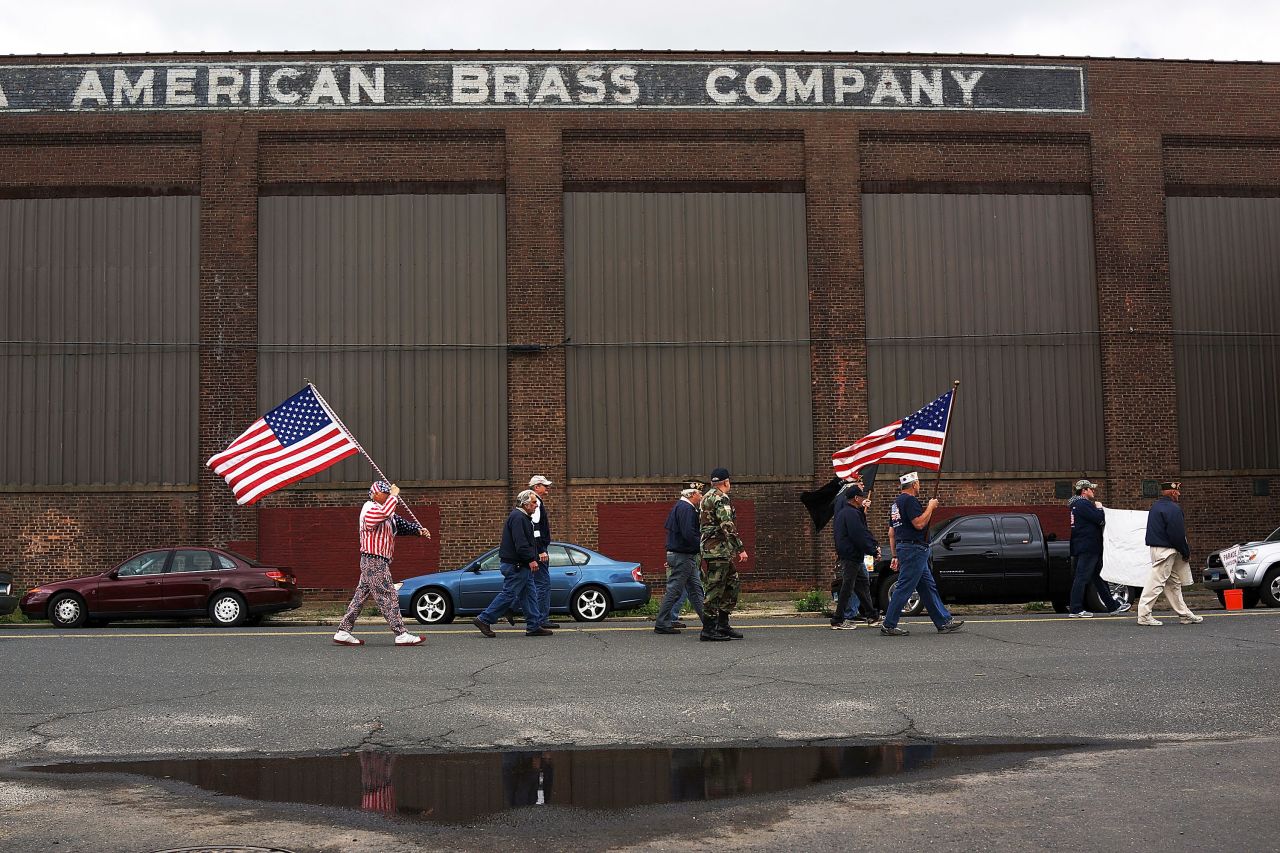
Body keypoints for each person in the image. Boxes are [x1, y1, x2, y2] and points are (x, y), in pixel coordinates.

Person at [333, 480, 429, 647]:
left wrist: (418, 531)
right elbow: (382, 515)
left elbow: (401, 524)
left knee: (360, 596)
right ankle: (401, 633)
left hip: (376, 561)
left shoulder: (388, 512)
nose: (387, 495)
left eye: (388, 492)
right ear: (375, 494)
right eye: (385, 493)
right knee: (388, 595)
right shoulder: (369, 508)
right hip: (373, 559)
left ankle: (343, 631)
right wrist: (394, 496)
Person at [880, 471, 963, 637]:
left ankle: (943, 622)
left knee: (927, 587)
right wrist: (930, 508)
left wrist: (895, 555)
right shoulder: (910, 501)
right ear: (913, 484)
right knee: (905, 586)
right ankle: (889, 624)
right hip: (914, 549)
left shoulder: (896, 503)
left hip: (908, 548)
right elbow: (919, 524)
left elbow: (891, 532)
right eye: (918, 482)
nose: (919, 485)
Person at [472, 490, 552, 637]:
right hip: (517, 565)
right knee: (509, 594)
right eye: (534, 502)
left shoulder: (523, 517)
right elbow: (521, 544)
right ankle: (484, 619)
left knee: (530, 595)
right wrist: (531, 559)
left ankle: (533, 626)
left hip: (520, 565)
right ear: (525, 504)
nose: (536, 505)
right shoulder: (518, 518)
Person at [1138, 480, 1203, 626]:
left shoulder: (1156, 506)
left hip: (1156, 548)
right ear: (1173, 492)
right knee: (1157, 582)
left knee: (1173, 583)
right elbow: (1177, 535)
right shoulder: (1173, 509)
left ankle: (1185, 614)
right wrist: (1185, 552)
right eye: (1178, 491)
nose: (1179, 494)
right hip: (1167, 551)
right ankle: (1144, 614)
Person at [656, 482, 712, 636]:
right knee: (675, 590)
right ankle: (662, 622)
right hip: (683, 555)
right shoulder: (686, 509)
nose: (701, 497)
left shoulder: (681, 507)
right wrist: (703, 547)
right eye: (699, 494)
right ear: (692, 494)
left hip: (683, 555)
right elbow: (689, 534)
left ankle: (708, 623)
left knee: (695, 589)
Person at [699, 467, 748, 640]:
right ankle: (709, 629)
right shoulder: (720, 498)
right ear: (726, 482)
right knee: (715, 588)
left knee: (731, 582)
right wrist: (740, 548)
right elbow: (726, 524)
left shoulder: (705, 496)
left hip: (714, 549)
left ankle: (722, 624)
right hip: (718, 550)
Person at [1067, 479, 1127, 617]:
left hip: (1082, 545)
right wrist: (1099, 508)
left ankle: (1112, 606)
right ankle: (1076, 609)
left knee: (1099, 578)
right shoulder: (1083, 504)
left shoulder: (1075, 505)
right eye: (1091, 489)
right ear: (1084, 491)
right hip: (1089, 546)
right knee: (1081, 577)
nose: (1093, 491)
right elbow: (1100, 519)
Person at [831, 484, 881, 630]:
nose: (863, 499)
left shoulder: (846, 513)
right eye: (861, 497)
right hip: (851, 554)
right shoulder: (852, 514)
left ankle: (872, 616)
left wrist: (872, 546)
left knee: (861, 584)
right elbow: (859, 535)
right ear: (856, 498)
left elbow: (861, 532)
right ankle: (838, 619)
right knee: (848, 586)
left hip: (850, 554)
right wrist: (872, 549)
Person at [524, 474, 555, 631]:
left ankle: (510, 607)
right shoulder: (535, 503)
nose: (547, 488)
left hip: (534, 549)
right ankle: (541, 619)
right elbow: (535, 528)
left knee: (530, 584)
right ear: (536, 487)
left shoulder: (534, 501)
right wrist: (541, 550)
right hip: (538, 550)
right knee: (543, 584)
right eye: (545, 485)